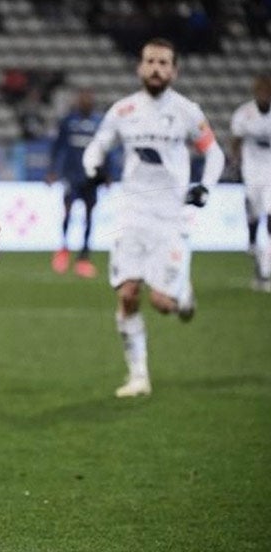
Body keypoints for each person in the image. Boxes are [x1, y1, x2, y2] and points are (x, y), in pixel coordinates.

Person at [82, 38, 225, 398]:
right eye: (150, 61)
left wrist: (204, 187)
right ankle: (138, 377)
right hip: (132, 213)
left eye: (164, 63)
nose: (156, 68)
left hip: (171, 218)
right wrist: (94, 166)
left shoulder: (187, 112)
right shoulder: (123, 110)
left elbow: (215, 154)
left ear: (174, 70)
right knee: (128, 294)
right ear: (139, 67)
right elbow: (97, 146)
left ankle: (183, 294)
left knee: (163, 304)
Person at [48, 88, 105, 278]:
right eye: (82, 99)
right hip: (71, 175)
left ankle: (84, 257)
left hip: (92, 177)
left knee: (89, 216)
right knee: (68, 212)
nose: (85, 102)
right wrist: (52, 170)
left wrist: (109, 174)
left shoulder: (99, 123)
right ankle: (63, 250)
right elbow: (58, 146)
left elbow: (106, 149)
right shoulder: (69, 121)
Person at [229, 73, 271, 293]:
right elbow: (236, 141)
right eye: (261, 92)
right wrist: (235, 162)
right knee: (254, 211)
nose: (264, 96)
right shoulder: (244, 114)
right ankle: (253, 241)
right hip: (252, 171)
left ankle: (265, 269)